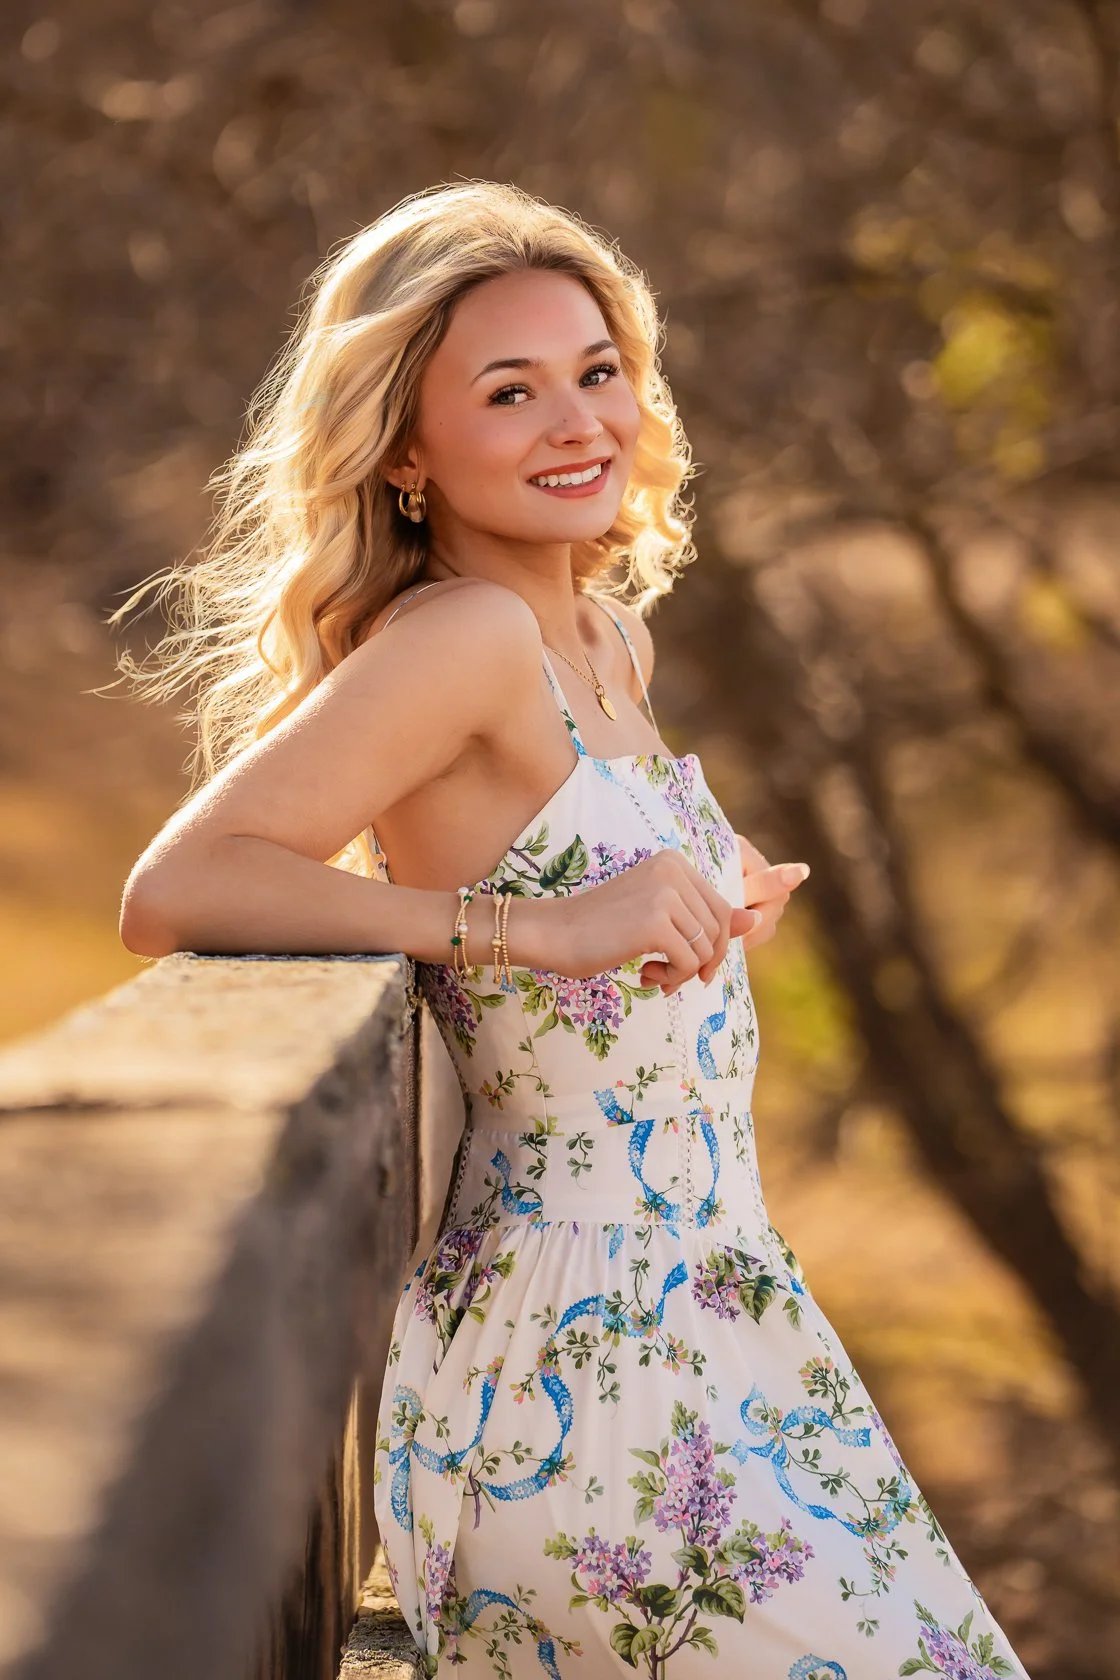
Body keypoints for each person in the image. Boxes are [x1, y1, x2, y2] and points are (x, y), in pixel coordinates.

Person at [115, 181, 1031, 1679]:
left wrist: (700, 892)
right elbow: (180, 885)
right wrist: (526, 931)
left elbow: (589, 901)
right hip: (572, 1374)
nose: (578, 423)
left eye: (599, 372)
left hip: (725, 1319)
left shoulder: (605, 636)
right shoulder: (462, 638)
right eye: (511, 390)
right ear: (406, 449)